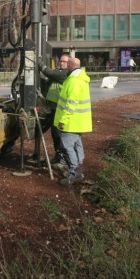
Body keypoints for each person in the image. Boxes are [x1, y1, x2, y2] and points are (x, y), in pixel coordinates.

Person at [54, 57, 93, 185]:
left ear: (70, 65)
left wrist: (63, 120)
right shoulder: (80, 79)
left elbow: (71, 103)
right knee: (77, 145)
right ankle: (79, 170)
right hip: (79, 122)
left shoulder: (74, 81)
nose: (64, 66)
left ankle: (74, 173)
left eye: (66, 64)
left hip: (71, 122)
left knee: (68, 147)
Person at [38, 54, 70, 168]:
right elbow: (48, 80)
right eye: (60, 61)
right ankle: (58, 156)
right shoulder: (59, 74)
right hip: (52, 108)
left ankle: (63, 160)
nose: (61, 63)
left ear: (69, 63)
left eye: (64, 61)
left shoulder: (65, 74)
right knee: (54, 134)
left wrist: (38, 62)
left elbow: (48, 72)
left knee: (59, 135)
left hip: (59, 109)